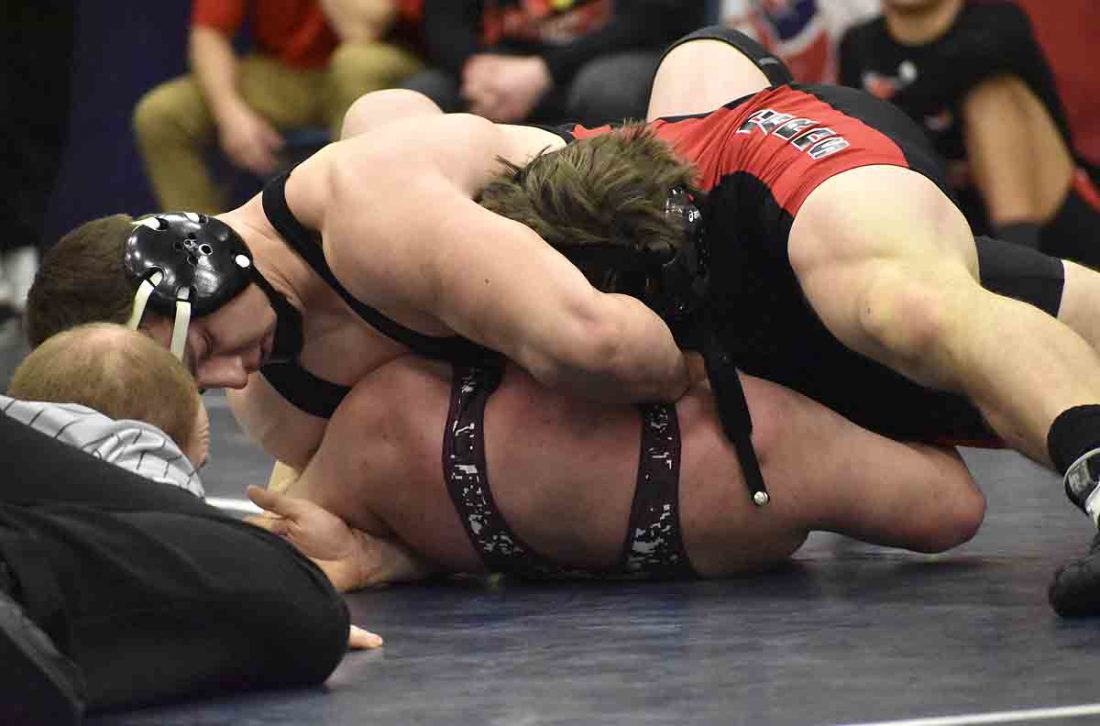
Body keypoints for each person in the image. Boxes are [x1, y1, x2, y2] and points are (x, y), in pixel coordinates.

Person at [247, 352, 984, 586]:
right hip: (715, 478)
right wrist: (845, 374)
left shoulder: (389, 416)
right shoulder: (772, 438)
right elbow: (954, 511)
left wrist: (387, 558)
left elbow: (272, 549)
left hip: (445, 457)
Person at [0, 328, 383, 725]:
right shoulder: (139, 449)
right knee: (304, 605)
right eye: (195, 466)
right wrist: (288, 602)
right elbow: (200, 566)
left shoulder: (25, 425)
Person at [838, 0, 1100, 262]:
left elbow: (959, 67)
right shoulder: (858, 45)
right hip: (943, 227)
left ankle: (1021, 263)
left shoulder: (996, 24)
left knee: (990, 98)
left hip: (1052, 221)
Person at [133, 0, 425, 213]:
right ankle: (201, 257)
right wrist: (231, 113)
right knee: (163, 114)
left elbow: (362, 29)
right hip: (287, 73)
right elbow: (210, 34)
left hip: (386, 62)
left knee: (354, 63)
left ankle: (353, 234)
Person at [402, 0, 704, 126]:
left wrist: (544, 71)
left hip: (610, 53)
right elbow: (444, 16)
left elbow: (654, 18)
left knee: (605, 90)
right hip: (504, 63)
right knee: (418, 98)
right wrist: (473, 68)